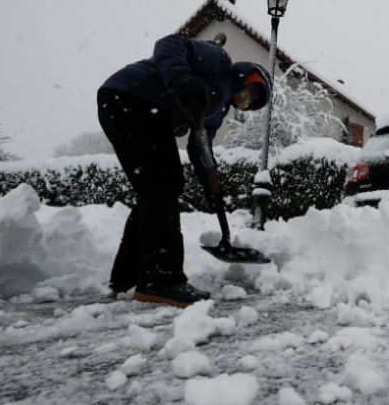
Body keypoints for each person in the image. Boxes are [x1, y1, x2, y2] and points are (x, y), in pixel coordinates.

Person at [97, 34, 273, 307]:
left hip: (125, 105)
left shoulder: (215, 112)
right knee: (164, 185)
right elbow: (169, 44)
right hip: (135, 96)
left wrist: (212, 190)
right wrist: (179, 78)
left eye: (250, 103)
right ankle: (162, 280)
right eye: (249, 91)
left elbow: (201, 149)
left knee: (153, 191)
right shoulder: (219, 60)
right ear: (244, 76)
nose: (244, 101)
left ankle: (125, 280)